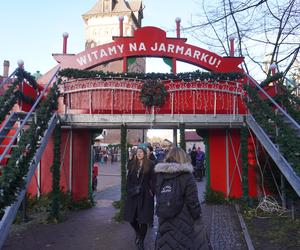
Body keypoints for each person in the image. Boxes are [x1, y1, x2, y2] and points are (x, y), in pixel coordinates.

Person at [154, 147, 211, 250]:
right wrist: (197, 216)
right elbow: (193, 202)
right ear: (183, 158)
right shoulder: (187, 176)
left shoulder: (160, 176)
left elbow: (159, 196)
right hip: (183, 222)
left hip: (164, 222)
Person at [124, 143, 155, 250]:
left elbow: (153, 179)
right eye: (138, 152)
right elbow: (129, 179)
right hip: (133, 194)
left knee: (143, 219)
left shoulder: (150, 164)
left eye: (141, 152)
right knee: (131, 218)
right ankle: (138, 233)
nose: (139, 154)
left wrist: (152, 191)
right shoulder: (132, 164)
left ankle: (141, 241)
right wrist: (128, 190)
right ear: (136, 154)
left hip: (145, 195)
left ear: (145, 153)